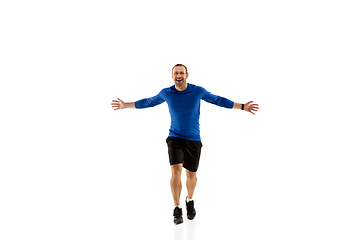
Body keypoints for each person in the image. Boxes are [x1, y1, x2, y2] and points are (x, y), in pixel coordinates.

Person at [111, 64, 259, 224]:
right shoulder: (166, 93)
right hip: (174, 137)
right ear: (172, 76)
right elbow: (148, 102)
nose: (179, 75)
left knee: (191, 175)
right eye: (176, 73)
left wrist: (242, 106)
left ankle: (190, 200)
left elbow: (217, 100)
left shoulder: (198, 91)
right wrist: (125, 104)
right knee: (175, 172)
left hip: (194, 139)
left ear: (187, 75)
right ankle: (177, 208)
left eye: (181, 72)